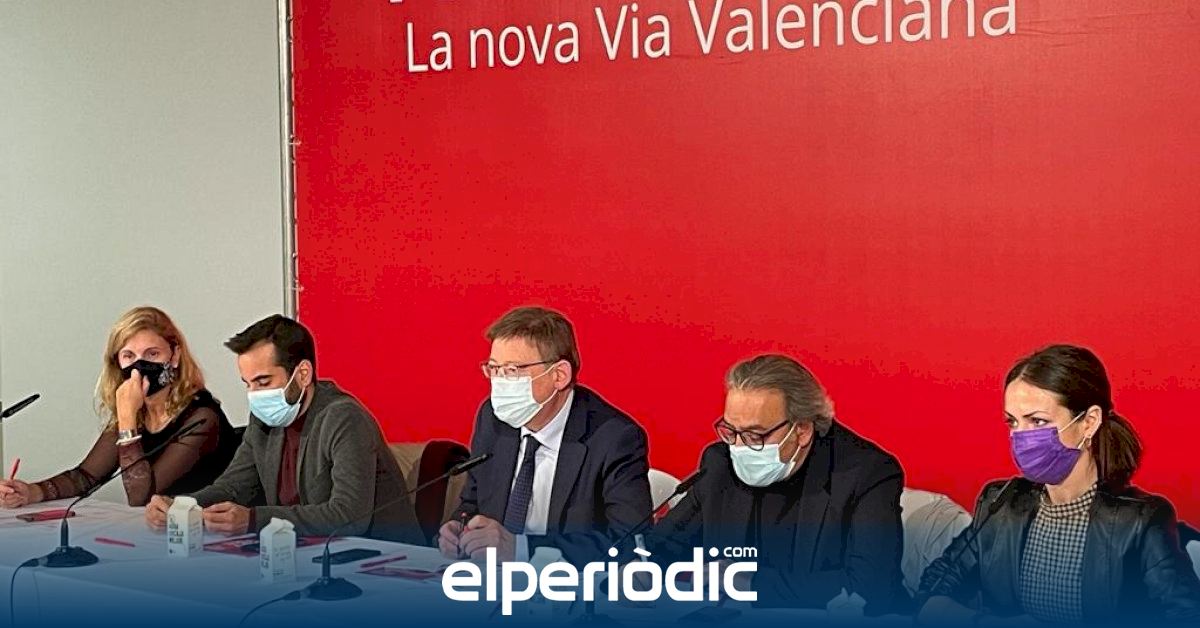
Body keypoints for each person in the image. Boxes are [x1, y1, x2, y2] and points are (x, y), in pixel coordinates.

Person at [917, 344, 1200, 624]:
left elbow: (1185, 616)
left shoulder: (1141, 520)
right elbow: (930, 593)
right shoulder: (1000, 503)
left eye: (1038, 421)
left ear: (1089, 422)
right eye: (1012, 422)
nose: (1021, 436)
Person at [646, 354, 909, 615]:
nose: (738, 447)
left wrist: (752, 583)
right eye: (730, 431)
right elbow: (663, 545)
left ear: (802, 430)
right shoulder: (720, 463)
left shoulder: (866, 474)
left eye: (754, 435)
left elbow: (871, 586)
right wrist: (639, 568)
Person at [143, 314, 422, 544]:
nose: (254, 395)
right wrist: (180, 505)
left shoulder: (344, 418)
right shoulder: (264, 418)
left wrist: (253, 520)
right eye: (248, 384)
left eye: (263, 382)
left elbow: (348, 515)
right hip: (307, 553)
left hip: (385, 560)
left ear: (303, 374)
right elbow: (233, 487)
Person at [437, 306, 652, 564]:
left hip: (566, 582)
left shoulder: (614, 438)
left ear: (559, 375)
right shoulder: (493, 420)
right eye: (494, 369)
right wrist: (458, 529)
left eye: (512, 370)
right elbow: (472, 504)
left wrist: (522, 550)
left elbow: (629, 542)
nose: (500, 382)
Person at [0, 306, 237, 508]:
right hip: (164, 529)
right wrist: (31, 492)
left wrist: (127, 420)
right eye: (128, 356)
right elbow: (86, 476)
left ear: (174, 356)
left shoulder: (202, 416)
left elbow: (142, 497)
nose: (139, 366)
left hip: (213, 532)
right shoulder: (136, 411)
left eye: (152, 354)